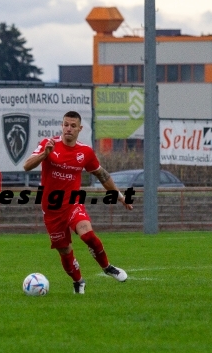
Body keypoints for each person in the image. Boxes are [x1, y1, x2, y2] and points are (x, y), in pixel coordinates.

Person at [23, 111, 133, 294]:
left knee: (87, 235)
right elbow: (26, 166)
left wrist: (120, 197)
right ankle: (78, 281)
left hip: (73, 204)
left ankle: (107, 267)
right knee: (65, 250)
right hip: (51, 209)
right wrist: (44, 154)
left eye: (73, 126)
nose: (68, 129)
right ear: (62, 125)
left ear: (79, 129)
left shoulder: (85, 152)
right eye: (66, 124)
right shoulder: (48, 144)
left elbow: (102, 175)